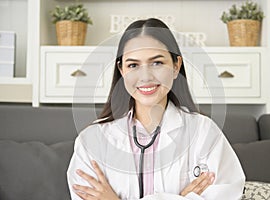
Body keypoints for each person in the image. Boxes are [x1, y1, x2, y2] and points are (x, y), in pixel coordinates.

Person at [67, 18, 245, 200]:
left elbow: (227, 194)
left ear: (176, 66)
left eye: (157, 63)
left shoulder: (204, 132)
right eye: (133, 65)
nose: (145, 76)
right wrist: (181, 197)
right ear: (121, 71)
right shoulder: (92, 140)